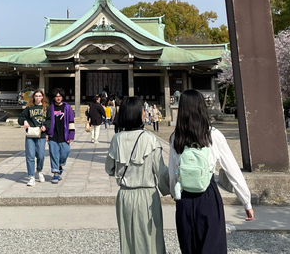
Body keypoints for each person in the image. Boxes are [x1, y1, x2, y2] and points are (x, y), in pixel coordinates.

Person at [168, 89, 254, 254]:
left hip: (184, 197)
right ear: (202, 108)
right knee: (212, 246)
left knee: (189, 247)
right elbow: (232, 170)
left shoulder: (175, 137)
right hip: (208, 195)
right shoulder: (213, 135)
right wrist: (246, 201)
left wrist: (174, 192)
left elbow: (173, 172)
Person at [105, 96, 170, 254]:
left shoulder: (116, 139)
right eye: (143, 110)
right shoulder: (151, 140)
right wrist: (171, 189)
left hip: (125, 195)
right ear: (138, 114)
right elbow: (160, 172)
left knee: (128, 239)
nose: (144, 113)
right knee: (151, 238)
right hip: (148, 195)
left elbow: (109, 168)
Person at [18, 88, 51, 186]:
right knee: (30, 156)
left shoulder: (46, 108)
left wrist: (46, 126)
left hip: (41, 134)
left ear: (42, 97)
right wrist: (24, 121)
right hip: (31, 134)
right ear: (33, 97)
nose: (38, 98)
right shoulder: (29, 108)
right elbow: (21, 117)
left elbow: (50, 120)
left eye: (40, 96)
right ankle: (31, 176)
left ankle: (39, 170)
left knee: (41, 155)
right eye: (36, 96)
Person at [46, 87, 74, 184]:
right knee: (54, 155)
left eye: (60, 96)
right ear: (53, 98)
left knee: (66, 151)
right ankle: (55, 174)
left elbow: (71, 122)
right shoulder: (50, 108)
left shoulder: (67, 108)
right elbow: (46, 122)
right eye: (56, 96)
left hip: (64, 135)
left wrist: (71, 135)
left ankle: (60, 165)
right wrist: (46, 134)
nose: (58, 98)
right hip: (53, 135)